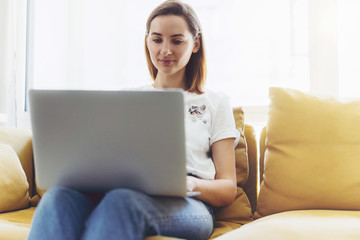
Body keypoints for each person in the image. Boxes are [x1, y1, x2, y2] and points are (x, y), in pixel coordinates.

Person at [27, 1, 239, 239]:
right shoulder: (127, 98)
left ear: (196, 43)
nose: (165, 50)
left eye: (177, 41)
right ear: (147, 41)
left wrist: (189, 184)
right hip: (121, 191)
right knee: (58, 197)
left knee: (122, 201)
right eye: (157, 39)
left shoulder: (215, 102)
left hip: (189, 204)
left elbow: (227, 189)